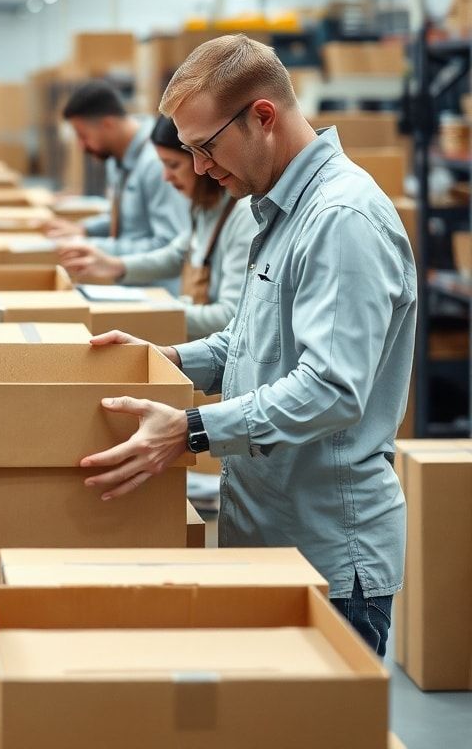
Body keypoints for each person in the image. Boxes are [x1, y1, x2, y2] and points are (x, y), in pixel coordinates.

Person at [81, 34, 416, 657]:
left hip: (326, 560)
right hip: (266, 533)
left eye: (205, 148)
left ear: (263, 115)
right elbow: (254, 338)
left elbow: (330, 389)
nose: (201, 168)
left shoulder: (341, 219)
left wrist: (192, 429)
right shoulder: (279, 209)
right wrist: (167, 361)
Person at [60, 115, 254, 340]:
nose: (166, 177)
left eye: (174, 165)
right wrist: (115, 266)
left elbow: (230, 316)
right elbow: (175, 255)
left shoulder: (242, 217)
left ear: (203, 162)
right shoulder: (205, 208)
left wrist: (152, 312)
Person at [45, 80, 189, 260]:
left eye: (83, 136)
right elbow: (126, 223)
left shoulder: (157, 164)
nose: (81, 146)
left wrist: (91, 245)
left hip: (154, 284)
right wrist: (84, 230)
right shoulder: (115, 158)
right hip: (122, 277)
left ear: (107, 124)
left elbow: (168, 244)